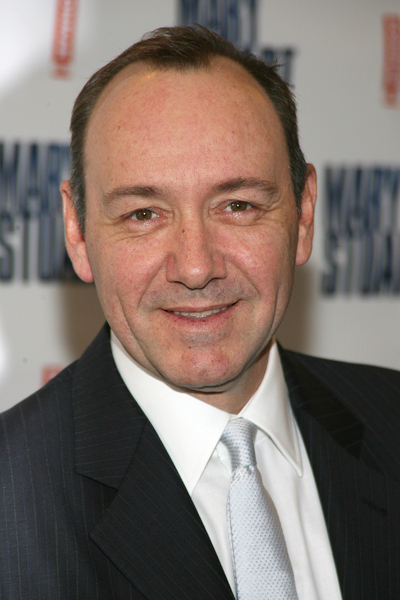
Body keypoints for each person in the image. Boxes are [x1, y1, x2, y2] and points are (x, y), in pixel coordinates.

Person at [1, 26, 399, 600]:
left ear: (303, 215)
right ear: (78, 232)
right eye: (143, 214)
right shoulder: (12, 503)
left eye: (237, 205)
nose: (195, 267)